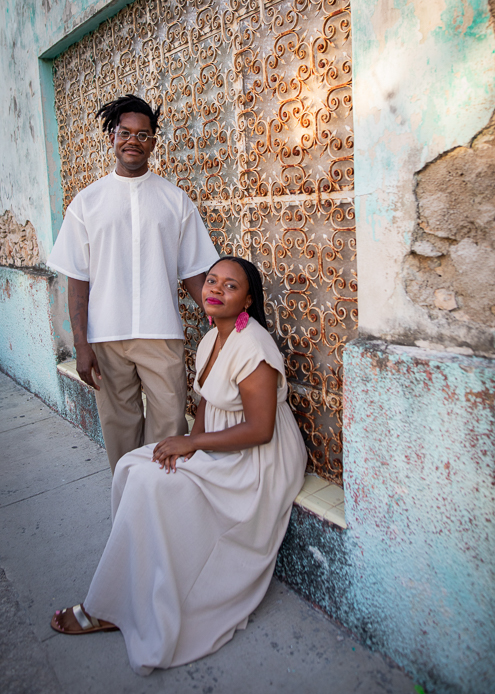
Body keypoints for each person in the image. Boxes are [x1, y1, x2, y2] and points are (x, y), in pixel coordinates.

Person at [50, 257, 307, 676]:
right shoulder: (212, 338)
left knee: (155, 485)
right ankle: (130, 594)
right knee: (134, 467)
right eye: (211, 281)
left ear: (247, 301)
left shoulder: (254, 347)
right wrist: (194, 452)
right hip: (221, 446)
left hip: (258, 462)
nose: (216, 290)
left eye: (230, 286)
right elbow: (207, 400)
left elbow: (260, 430)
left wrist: (194, 443)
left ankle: (119, 605)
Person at [47, 95, 219, 471]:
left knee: (169, 430)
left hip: (161, 333)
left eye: (143, 135)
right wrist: (81, 344)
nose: (133, 141)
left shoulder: (175, 201)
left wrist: (225, 324)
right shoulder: (86, 203)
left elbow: (194, 272)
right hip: (105, 338)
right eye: (125, 132)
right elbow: (77, 281)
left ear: (153, 143)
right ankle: (127, 508)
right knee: (120, 432)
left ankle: (158, 505)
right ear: (112, 136)